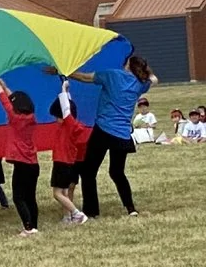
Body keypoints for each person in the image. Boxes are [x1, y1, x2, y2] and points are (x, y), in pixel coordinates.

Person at [61, 55, 156, 218]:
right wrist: (145, 71)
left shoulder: (112, 75)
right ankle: (131, 208)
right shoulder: (140, 83)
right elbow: (154, 79)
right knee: (117, 172)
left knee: (88, 172)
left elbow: (85, 77)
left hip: (103, 131)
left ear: (126, 64)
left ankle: (91, 212)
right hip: (123, 135)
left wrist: (66, 72)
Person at [0, 77, 39, 237]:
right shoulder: (31, 118)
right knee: (30, 197)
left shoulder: (15, 118)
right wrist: (5, 85)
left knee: (18, 197)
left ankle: (28, 227)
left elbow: (5, 102)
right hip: (33, 164)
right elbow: (12, 101)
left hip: (22, 165)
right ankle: (34, 226)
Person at [49, 81, 89, 225]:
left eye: (57, 116)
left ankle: (77, 214)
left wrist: (63, 89)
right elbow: (68, 107)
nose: (56, 119)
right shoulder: (75, 126)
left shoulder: (69, 124)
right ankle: (67, 217)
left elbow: (66, 109)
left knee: (57, 193)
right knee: (64, 192)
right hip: (68, 162)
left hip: (62, 162)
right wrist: (66, 92)